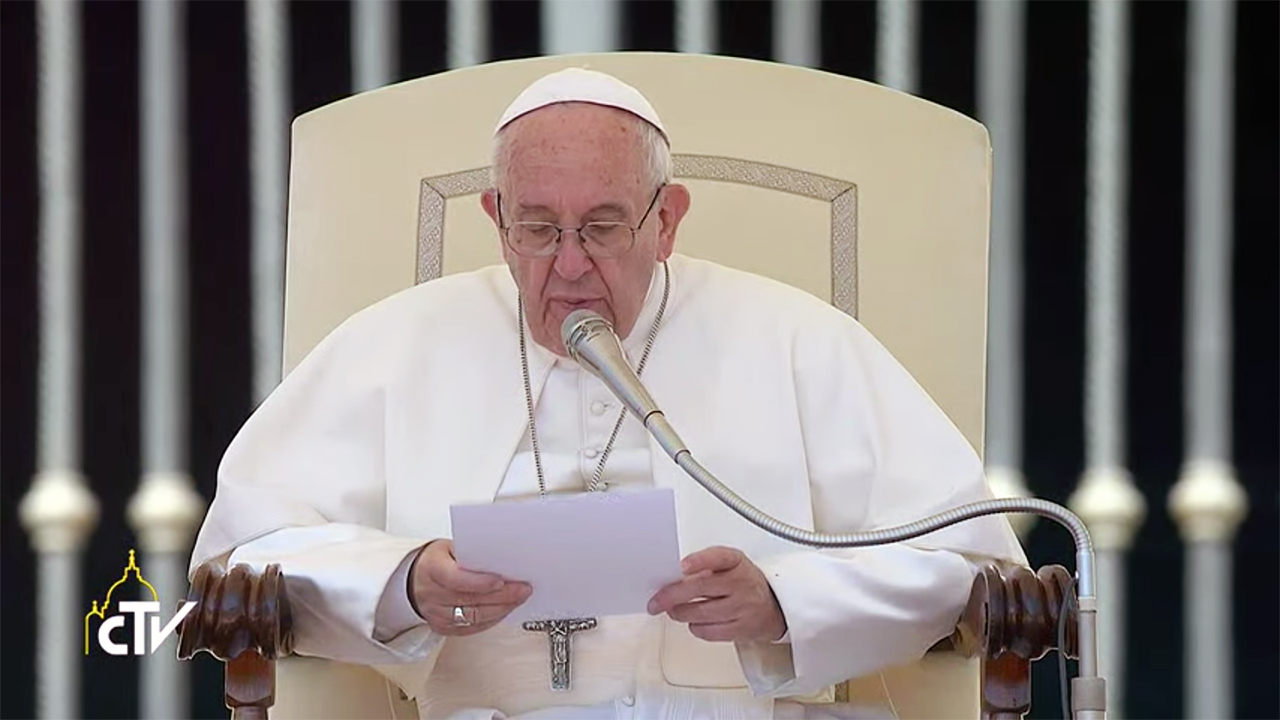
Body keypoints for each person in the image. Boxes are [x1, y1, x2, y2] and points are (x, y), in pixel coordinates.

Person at [190, 68, 1026, 719]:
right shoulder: (393, 344)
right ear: (495, 218)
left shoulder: (798, 340)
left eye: (602, 225)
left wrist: (783, 601)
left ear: (667, 220)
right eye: (537, 227)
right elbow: (241, 560)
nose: (568, 264)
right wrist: (402, 584)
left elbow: (967, 562)